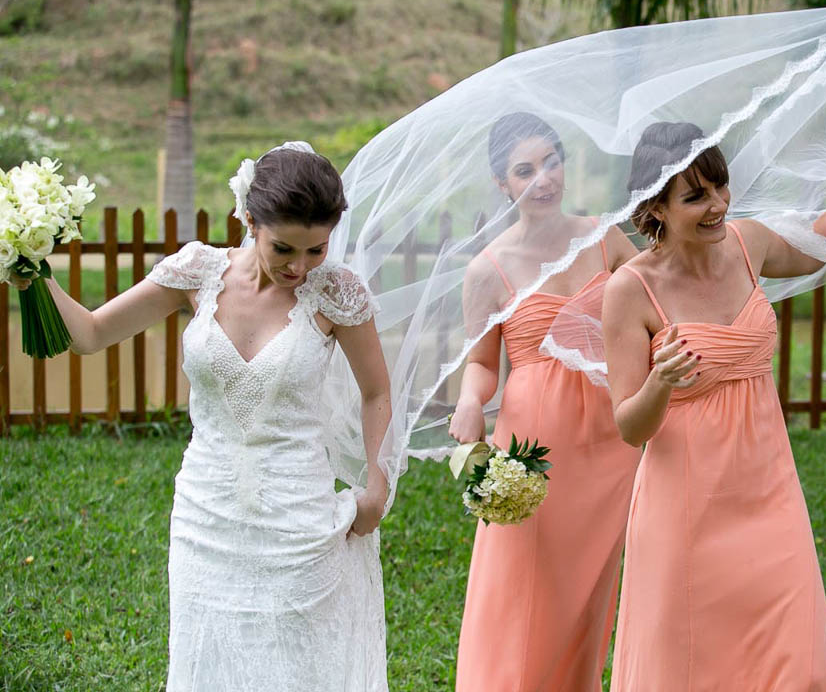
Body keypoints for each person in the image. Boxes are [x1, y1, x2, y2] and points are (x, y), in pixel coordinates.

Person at [14, 143, 392, 690]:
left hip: (297, 514)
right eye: (284, 248)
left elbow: (376, 391)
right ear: (249, 220)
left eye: (316, 249)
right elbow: (92, 335)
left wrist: (377, 488)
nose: (300, 267)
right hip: (206, 510)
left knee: (297, 664)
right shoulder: (198, 271)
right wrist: (32, 272)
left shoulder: (337, 292)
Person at [602, 120, 826, 690]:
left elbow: (818, 245)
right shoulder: (629, 290)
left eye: (721, 186)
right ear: (656, 207)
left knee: (799, 664)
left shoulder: (747, 243)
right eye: (696, 196)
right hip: (686, 503)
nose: (718, 204)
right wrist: (660, 382)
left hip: (769, 487)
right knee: (690, 666)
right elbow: (629, 427)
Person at [449, 113, 642, 691]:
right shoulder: (488, 268)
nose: (543, 180)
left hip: (613, 435)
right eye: (525, 170)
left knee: (595, 588)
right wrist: (467, 400)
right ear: (503, 183)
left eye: (551, 163)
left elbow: (658, 301)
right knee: (526, 584)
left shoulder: (604, 236)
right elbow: (483, 363)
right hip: (537, 442)